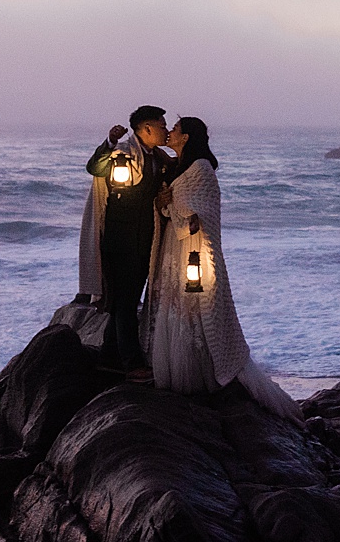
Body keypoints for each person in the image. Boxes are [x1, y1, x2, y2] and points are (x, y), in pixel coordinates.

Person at [144, 117, 301, 418]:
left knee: (193, 309)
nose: (170, 133)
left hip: (192, 250)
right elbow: (173, 209)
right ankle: (182, 375)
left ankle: (201, 376)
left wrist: (169, 204)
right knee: (178, 306)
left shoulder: (201, 169)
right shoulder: (180, 168)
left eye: (175, 129)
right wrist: (163, 203)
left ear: (186, 137)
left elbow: (198, 217)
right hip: (175, 247)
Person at [80, 105, 175, 377]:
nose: (165, 130)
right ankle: (132, 362)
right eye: (162, 125)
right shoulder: (122, 151)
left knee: (127, 297)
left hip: (145, 237)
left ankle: (109, 355)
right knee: (125, 300)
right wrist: (109, 141)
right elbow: (94, 167)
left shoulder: (157, 157)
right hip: (120, 238)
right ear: (146, 128)